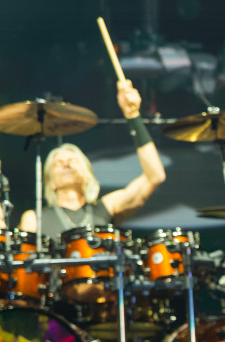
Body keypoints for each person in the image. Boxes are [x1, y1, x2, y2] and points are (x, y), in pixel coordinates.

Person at [19, 79, 166, 238]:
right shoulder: (34, 219)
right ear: (50, 182)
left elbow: (155, 176)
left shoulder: (108, 207)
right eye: (58, 163)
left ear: (87, 174)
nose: (66, 165)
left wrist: (133, 116)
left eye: (73, 160)